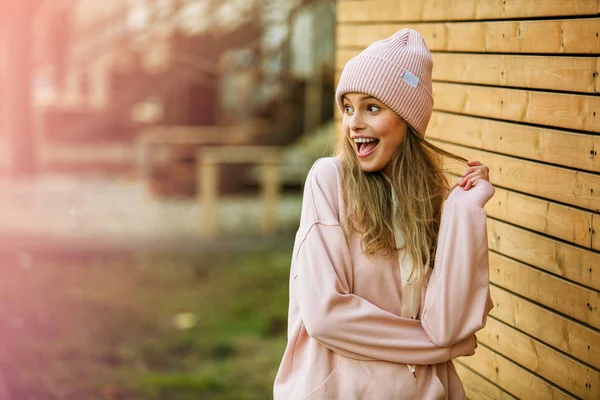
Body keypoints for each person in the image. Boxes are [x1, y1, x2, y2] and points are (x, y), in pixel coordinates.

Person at [274, 28, 495, 399]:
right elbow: (325, 316)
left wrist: (465, 212)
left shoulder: (437, 196)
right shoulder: (329, 181)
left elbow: (448, 326)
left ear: (407, 119)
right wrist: (438, 350)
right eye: (348, 107)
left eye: (371, 107)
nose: (353, 124)